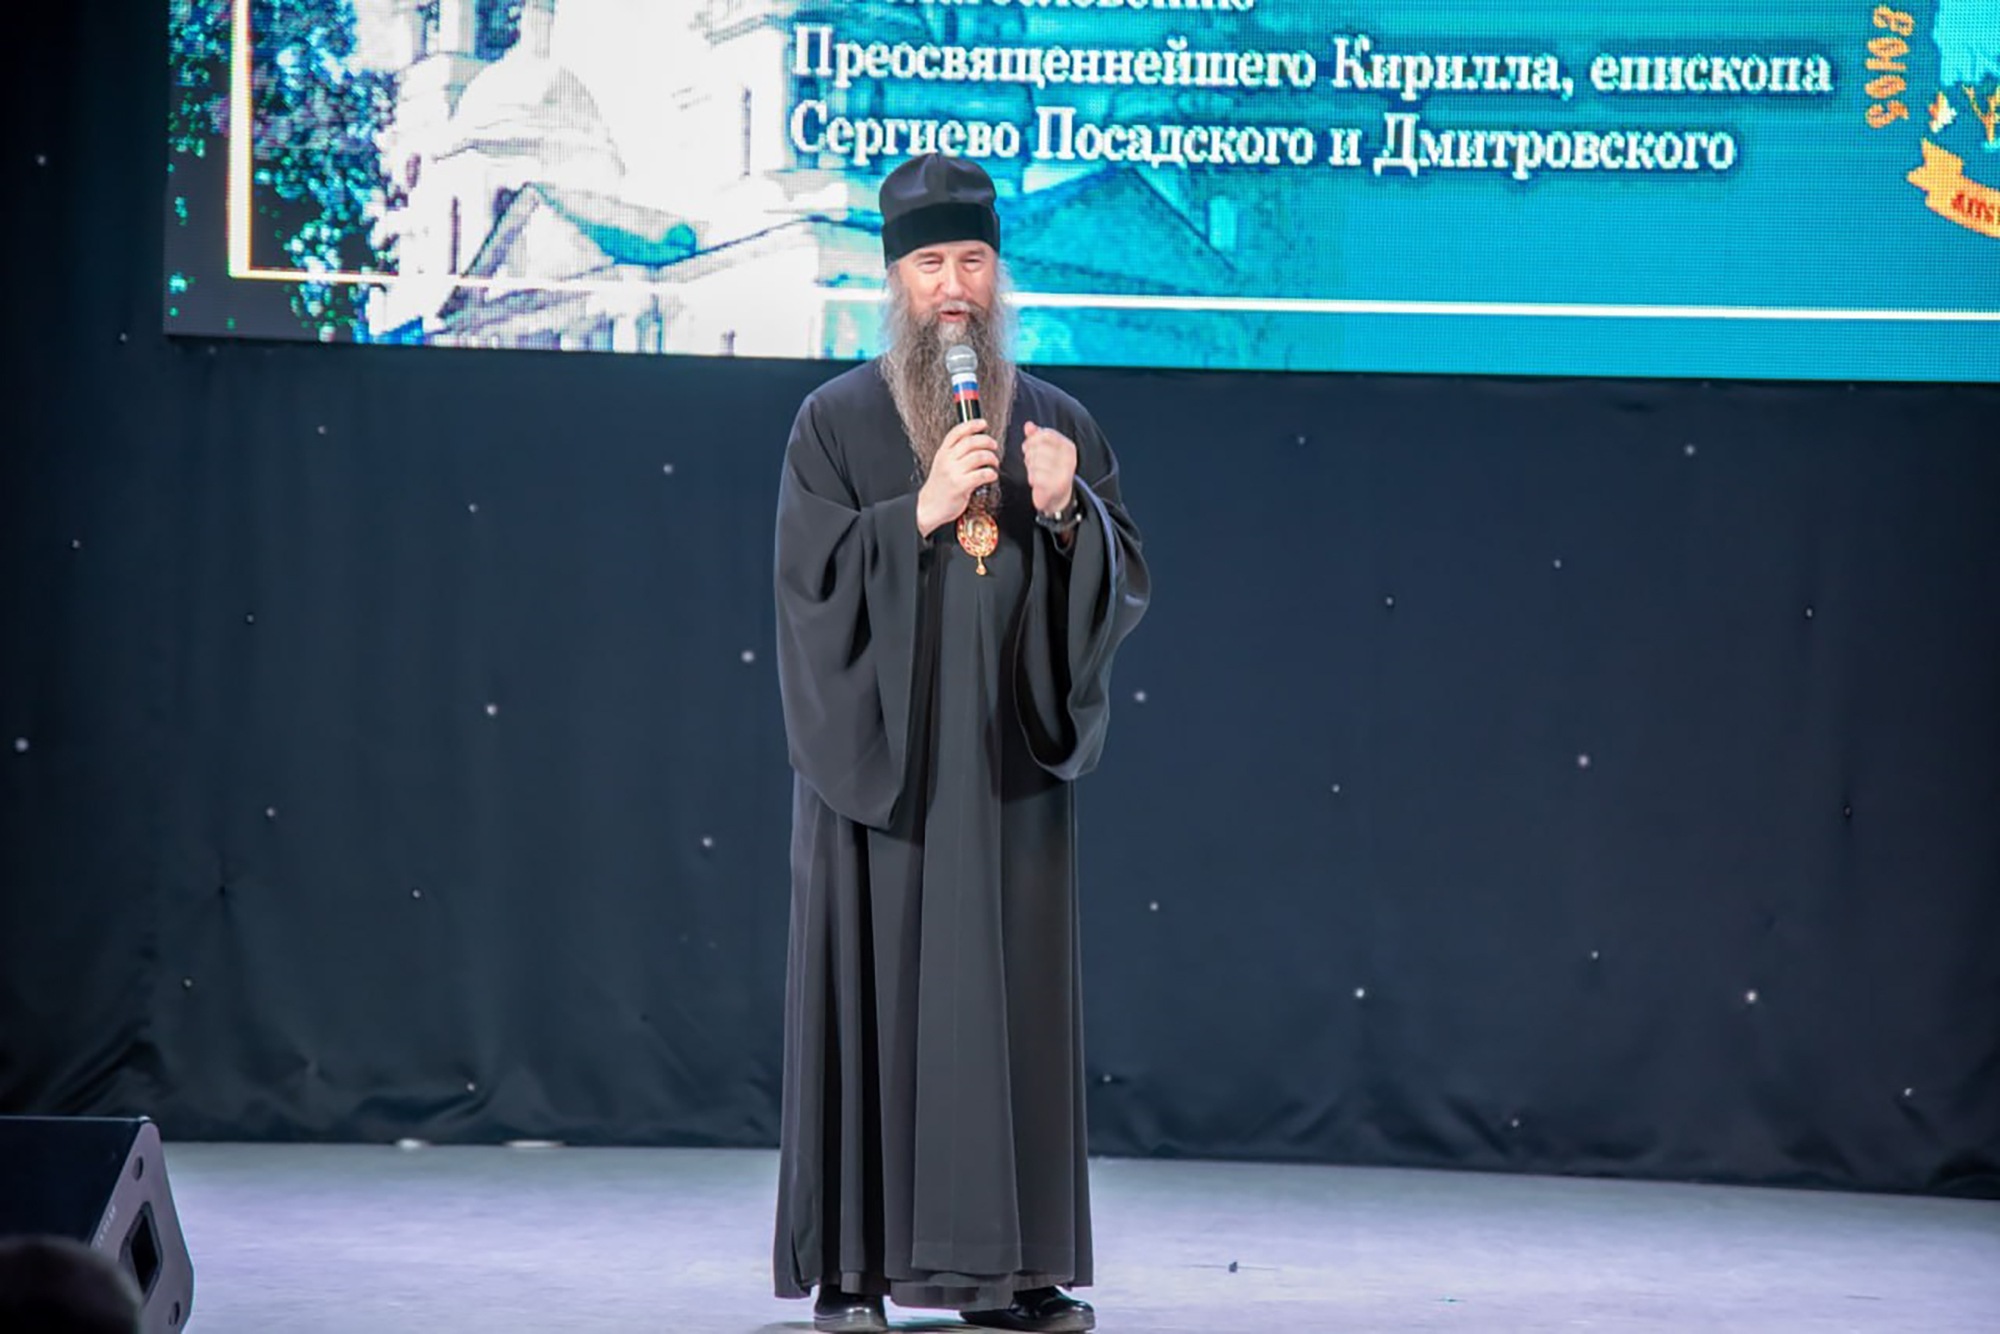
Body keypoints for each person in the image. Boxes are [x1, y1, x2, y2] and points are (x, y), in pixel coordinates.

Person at [771, 153, 1149, 1334]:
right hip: (883, 773)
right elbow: (805, 588)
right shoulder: (832, 422)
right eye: (929, 262)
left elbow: (1116, 587)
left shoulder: (1058, 423)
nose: (952, 285)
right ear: (894, 278)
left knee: (1010, 1010)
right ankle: (853, 1270)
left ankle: (1011, 1271)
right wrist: (915, 515)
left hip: (1003, 770)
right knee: (873, 1007)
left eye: (971, 261)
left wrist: (1068, 515)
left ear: (997, 275)